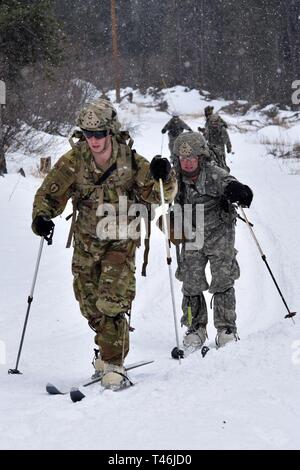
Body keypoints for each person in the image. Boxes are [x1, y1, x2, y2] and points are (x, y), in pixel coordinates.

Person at [31, 99, 177, 389]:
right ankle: (107, 349)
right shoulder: (74, 161)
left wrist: (165, 174)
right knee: (89, 304)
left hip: (121, 242)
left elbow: (162, 194)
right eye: (87, 134)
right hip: (86, 244)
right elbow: (49, 193)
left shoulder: (130, 161)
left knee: (111, 301)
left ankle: (114, 364)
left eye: (99, 134)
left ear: (111, 132)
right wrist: (42, 217)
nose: (94, 140)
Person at [172, 132, 253, 350]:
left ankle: (226, 328)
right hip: (192, 232)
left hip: (219, 231)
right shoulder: (175, 178)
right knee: (191, 281)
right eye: (183, 159)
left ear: (201, 157)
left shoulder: (213, 173)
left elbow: (229, 182)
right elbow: (154, 189)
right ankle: (195, 327)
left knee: (223, 279)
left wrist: (240, 191)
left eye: (192, 158)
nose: (187, 163)